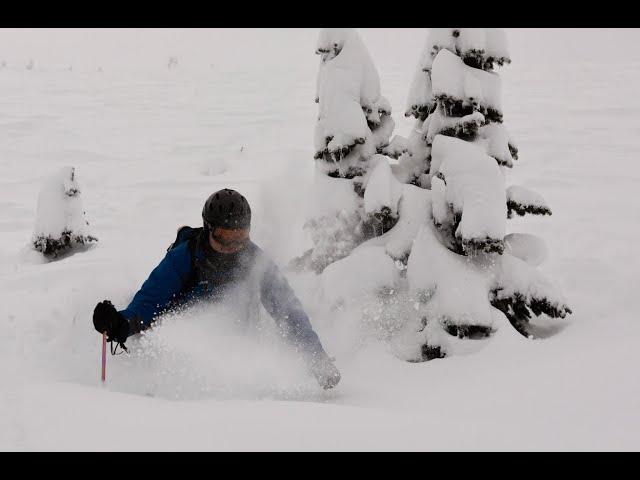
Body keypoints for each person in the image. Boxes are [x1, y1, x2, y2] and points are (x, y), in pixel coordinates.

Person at [92, 188, 341, 389]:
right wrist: (120, 324)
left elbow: (289, 312)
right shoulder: (183, 259)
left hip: (239, 346)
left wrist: (316, 359)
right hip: (181, 348)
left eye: (240, 237)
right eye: (225, 236)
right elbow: (148, 302)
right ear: (209, 229)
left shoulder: (256, 262)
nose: (233, 245)